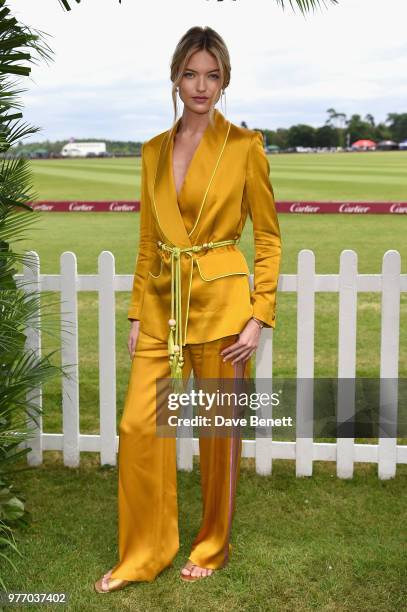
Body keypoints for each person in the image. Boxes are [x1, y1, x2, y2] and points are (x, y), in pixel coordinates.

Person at [94, 25, 282, 593]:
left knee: (216, 437)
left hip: (225, 308)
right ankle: (142, 553)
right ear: (175, 78)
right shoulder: (153, 150)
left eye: (213, 75)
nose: (201, 86)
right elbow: (149, 239)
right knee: (138, 426)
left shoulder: (247, 147)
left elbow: (269, 239)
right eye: (191, 73)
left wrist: (259, 314)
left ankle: (213, 545)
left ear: (225, 82)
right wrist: (134, 313)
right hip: (161, 307)